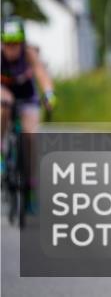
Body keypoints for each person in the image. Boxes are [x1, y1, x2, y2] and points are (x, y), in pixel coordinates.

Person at [1, 16, 56, 204]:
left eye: (16, 43)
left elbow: (41, 74)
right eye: (8, 43)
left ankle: (30, 184)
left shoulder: (29, 53)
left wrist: (49, 94)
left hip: (27, 96)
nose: (12, 48)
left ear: (22, 42)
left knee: (30, 135)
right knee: (4, 105)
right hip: (4, 93)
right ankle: (1, 150)